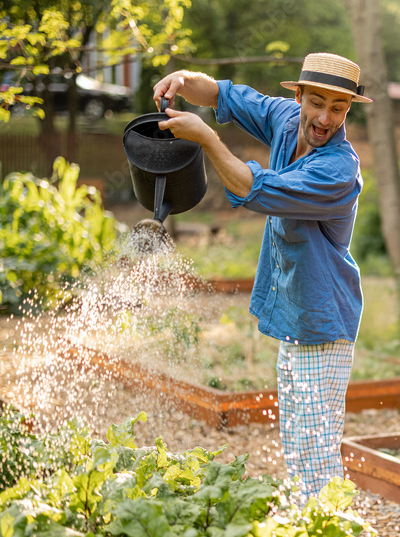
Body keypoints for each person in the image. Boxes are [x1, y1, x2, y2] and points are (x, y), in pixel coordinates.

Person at [151, 53, 372, 504]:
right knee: (298, 439)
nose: (325, 118)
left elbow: (253, 189)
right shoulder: (287, 120)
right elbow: (225, 95)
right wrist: (184, 80)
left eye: (338, 108)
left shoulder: (337, 170)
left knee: (316, 449)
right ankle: (307, 534)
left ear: (348, 110)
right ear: (299, 96)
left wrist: (208, 140)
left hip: (323, 321)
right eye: (317, 103)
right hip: (296, 315)